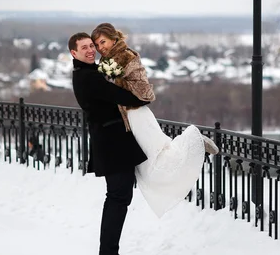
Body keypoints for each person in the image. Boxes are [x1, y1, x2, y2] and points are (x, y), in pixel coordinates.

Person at [91, 23, 219, 219]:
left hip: (137, 115)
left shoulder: (124, 56)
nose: (100, 48)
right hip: (128, 118)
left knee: (157, 156)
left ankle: (194, 139)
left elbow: (139, 90)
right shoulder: (109, 61)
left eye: (102, 42)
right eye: (97, 45)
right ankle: (190, 142)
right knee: (148, 165)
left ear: (113, 39)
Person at [68, 32, 149, 255]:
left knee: (119, 198)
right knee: (117, 198)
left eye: (92, 45)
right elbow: (122, 97)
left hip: (112, 142)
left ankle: (110, 254)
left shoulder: (90, 73)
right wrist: (138, 92)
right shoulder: (88, 77)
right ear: (74, 53)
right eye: (84, 48)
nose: (91, 50)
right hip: (111, 144)